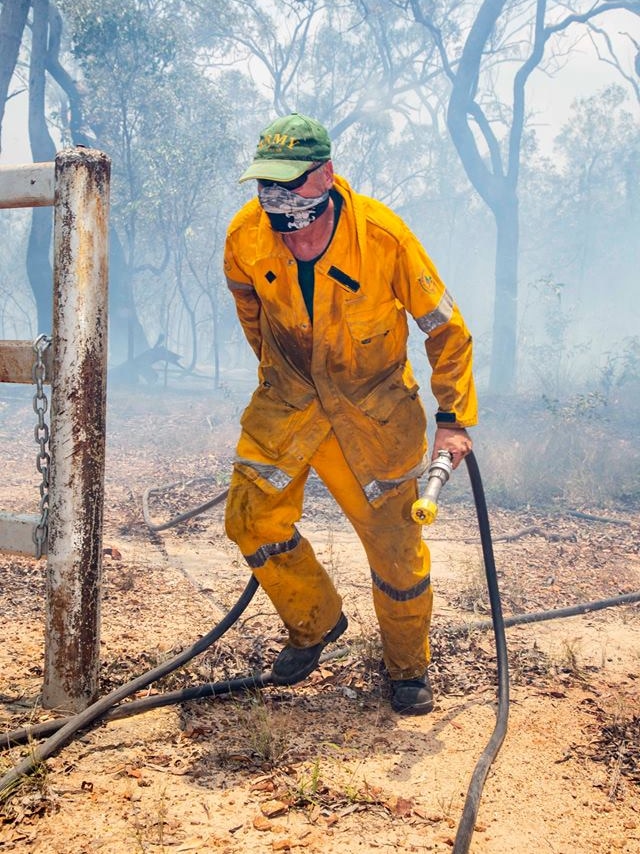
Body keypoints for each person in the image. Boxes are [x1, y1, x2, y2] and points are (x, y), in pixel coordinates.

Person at [223, 112, 477, 715]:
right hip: (287, 402)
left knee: (395, 548)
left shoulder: (383, 239)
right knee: (251, 517)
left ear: (327, 175)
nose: (277, 202)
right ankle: (316, 622)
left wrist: (453, 417)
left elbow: (447, 329)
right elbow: (250, 312)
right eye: (266, 186)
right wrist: (279, 375)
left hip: (373, 413)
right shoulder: (245, 235)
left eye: (290, 184)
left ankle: (408, 668)